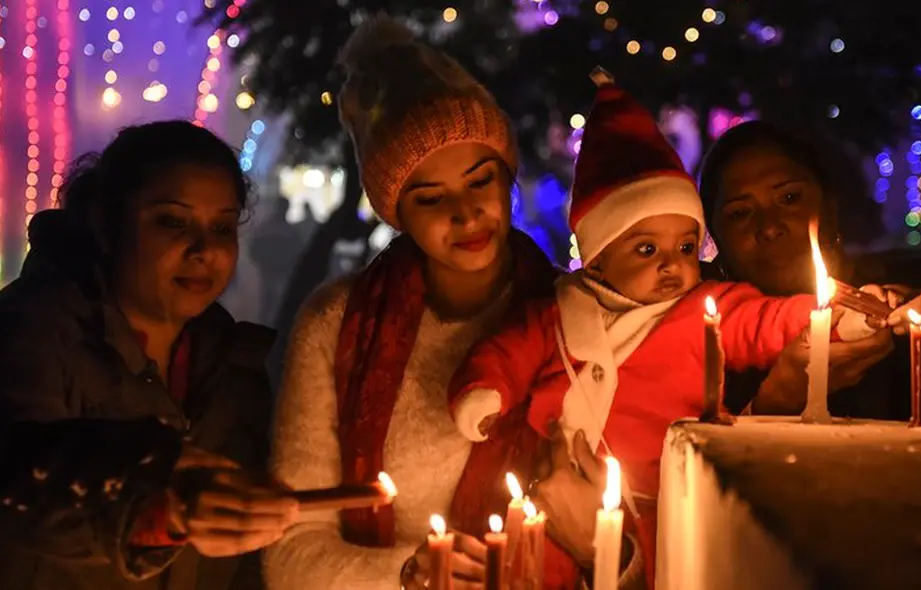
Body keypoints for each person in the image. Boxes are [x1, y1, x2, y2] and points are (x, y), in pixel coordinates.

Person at [447, 72, 870, 588]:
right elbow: (507, 352)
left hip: (662, 499)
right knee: (527, 568)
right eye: (647, 250)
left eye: (686, 248)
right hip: (555, 495)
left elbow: (763, 321)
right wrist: (484, 391)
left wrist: (826, 317)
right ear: (598, 260)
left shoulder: (704, 307)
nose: (673, 265)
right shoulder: (557, 311)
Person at [266, 17, 645, 590]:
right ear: (397, 211)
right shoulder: (337, 323)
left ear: (506, 179)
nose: (465, 214)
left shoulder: (576, 318)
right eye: (431, 197)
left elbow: (642, 525)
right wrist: (413, 573)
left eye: (478, 181)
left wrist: (602, 547)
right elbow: (291, 546)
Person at [0, 121, 303, 589]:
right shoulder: (34, 328)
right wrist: (157, 492)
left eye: (221, 226)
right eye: (173, 221)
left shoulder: (233, 372)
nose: (204, 250)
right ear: (107, 222)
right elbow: (16, 473)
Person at [698, 120, 921, 418]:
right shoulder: (700, 340)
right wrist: (778, 398)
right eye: (740, 213)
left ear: (830, 206)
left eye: (789, 198)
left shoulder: (916, 295)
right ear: (715, 236)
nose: (770, 228)